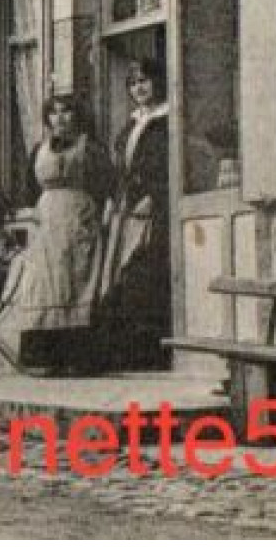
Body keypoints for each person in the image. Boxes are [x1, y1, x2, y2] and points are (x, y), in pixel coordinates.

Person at [11, 94, 112, 374]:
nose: (60, 119)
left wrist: (97, 218)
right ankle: (43, 358)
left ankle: (78, 360)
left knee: (77, 282)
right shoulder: (38, 151)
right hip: (45, 225)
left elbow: (105, 186)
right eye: (53, 113)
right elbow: (29, 191)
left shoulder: (90, 149)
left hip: (79, 219)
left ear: (77, 116)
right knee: (43, 286)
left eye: (66, 112)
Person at [97, 58, 172, 370]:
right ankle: (125, 353)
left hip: (155, 209)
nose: (140, 88)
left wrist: (153, 196)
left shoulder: (167, 120)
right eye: (133, 83)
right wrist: (113, 202)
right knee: (120, 277)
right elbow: (120, 170)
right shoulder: (131, 125)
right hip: (127, 210)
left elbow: (167, 166)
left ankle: (150, 353)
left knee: (145, 274)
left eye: (145, 80)